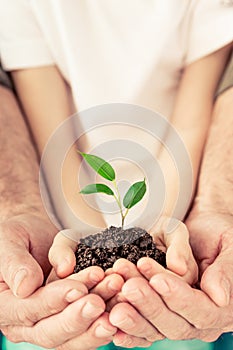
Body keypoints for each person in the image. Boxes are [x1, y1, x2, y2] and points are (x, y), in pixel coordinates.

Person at [0, 1, 232, 349]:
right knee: (48, 327)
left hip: (179, 201)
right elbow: (57, 137)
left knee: (181, 326)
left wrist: (159, 227)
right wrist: (88, 236)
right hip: (59, 215)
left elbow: (189, 125)